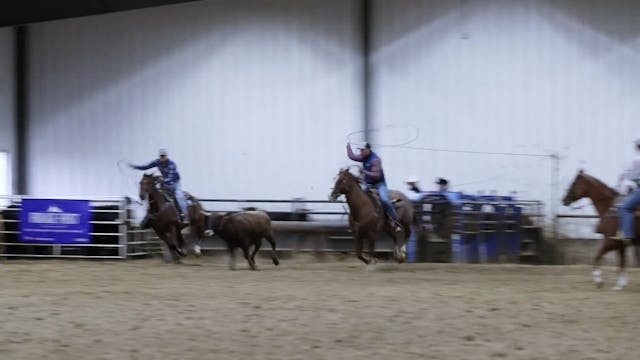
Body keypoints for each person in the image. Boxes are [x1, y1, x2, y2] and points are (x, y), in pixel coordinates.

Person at [347, 142, 402, 232]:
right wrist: (348, 147)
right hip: (368, 184)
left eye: (362, 150)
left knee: (384, 200)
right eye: (360, 150)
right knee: (358, 198)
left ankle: (396, 222)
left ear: (368, 149)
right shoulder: (364, 157)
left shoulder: (375, 159)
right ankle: (356, 221)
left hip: (379, 184)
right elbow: (352, 156)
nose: (361, 152)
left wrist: (364, 172)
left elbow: (376, 175)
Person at [129, 149, 188, 223]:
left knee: (179, 196)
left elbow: (171, 177)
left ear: (166, 156)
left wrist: (162, 180)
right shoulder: (157, 162)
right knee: (155, 194)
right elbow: (146, 166)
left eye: (164, 156)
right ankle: (152, 214)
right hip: (165, 184)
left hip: (175, 184)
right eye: (161, 156)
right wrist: (135, 167)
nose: (162, 157)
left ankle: (184, 215)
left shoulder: (172, 164)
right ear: (159, 156)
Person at [613, 138, 640, 245]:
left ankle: (627, 234)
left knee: (624, 207)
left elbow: (631, 176)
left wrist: (621, 182)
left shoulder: (637, 160)